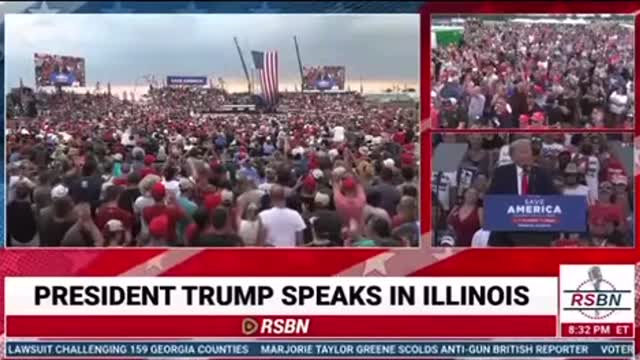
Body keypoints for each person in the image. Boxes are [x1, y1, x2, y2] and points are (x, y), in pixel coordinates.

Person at [487, 138, 557, 246]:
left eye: (529, 152)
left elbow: (554, 199)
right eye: (523, 152)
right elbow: (492, 198)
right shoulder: (502, 172)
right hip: (506, 232)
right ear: (512, 156)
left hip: (536, 232)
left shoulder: (542, 174)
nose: (527, 156)